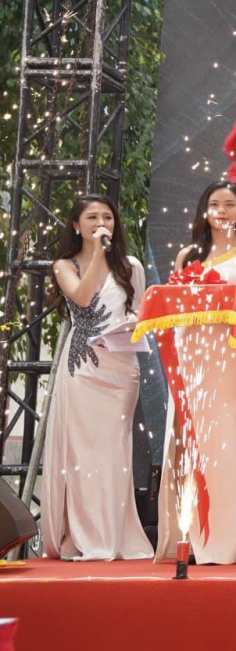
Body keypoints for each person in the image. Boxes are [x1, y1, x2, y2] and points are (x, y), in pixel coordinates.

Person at [154, 180, 236, 565]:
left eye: (229, 204)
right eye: (215, 204)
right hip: (190, 358)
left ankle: (218, 545)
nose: (222, 211)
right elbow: (172, 306)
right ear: (205, 210)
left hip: (230, 361)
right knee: (187, 445)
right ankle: (184, 538)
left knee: (224, 447)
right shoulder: (189, 255)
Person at [41, 194, 154, 561]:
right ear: (77, 225)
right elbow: (82, 297)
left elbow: (139, 312)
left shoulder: (131, 266)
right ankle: (81, 535)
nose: (101, 222)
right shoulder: (65, 265)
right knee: (82, 453)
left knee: (114, 451)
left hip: (121, 367)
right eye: (92, 217)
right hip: (84, 367)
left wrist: (131, 326)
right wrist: (97, 255)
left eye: (107, 216)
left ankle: (114, 535)